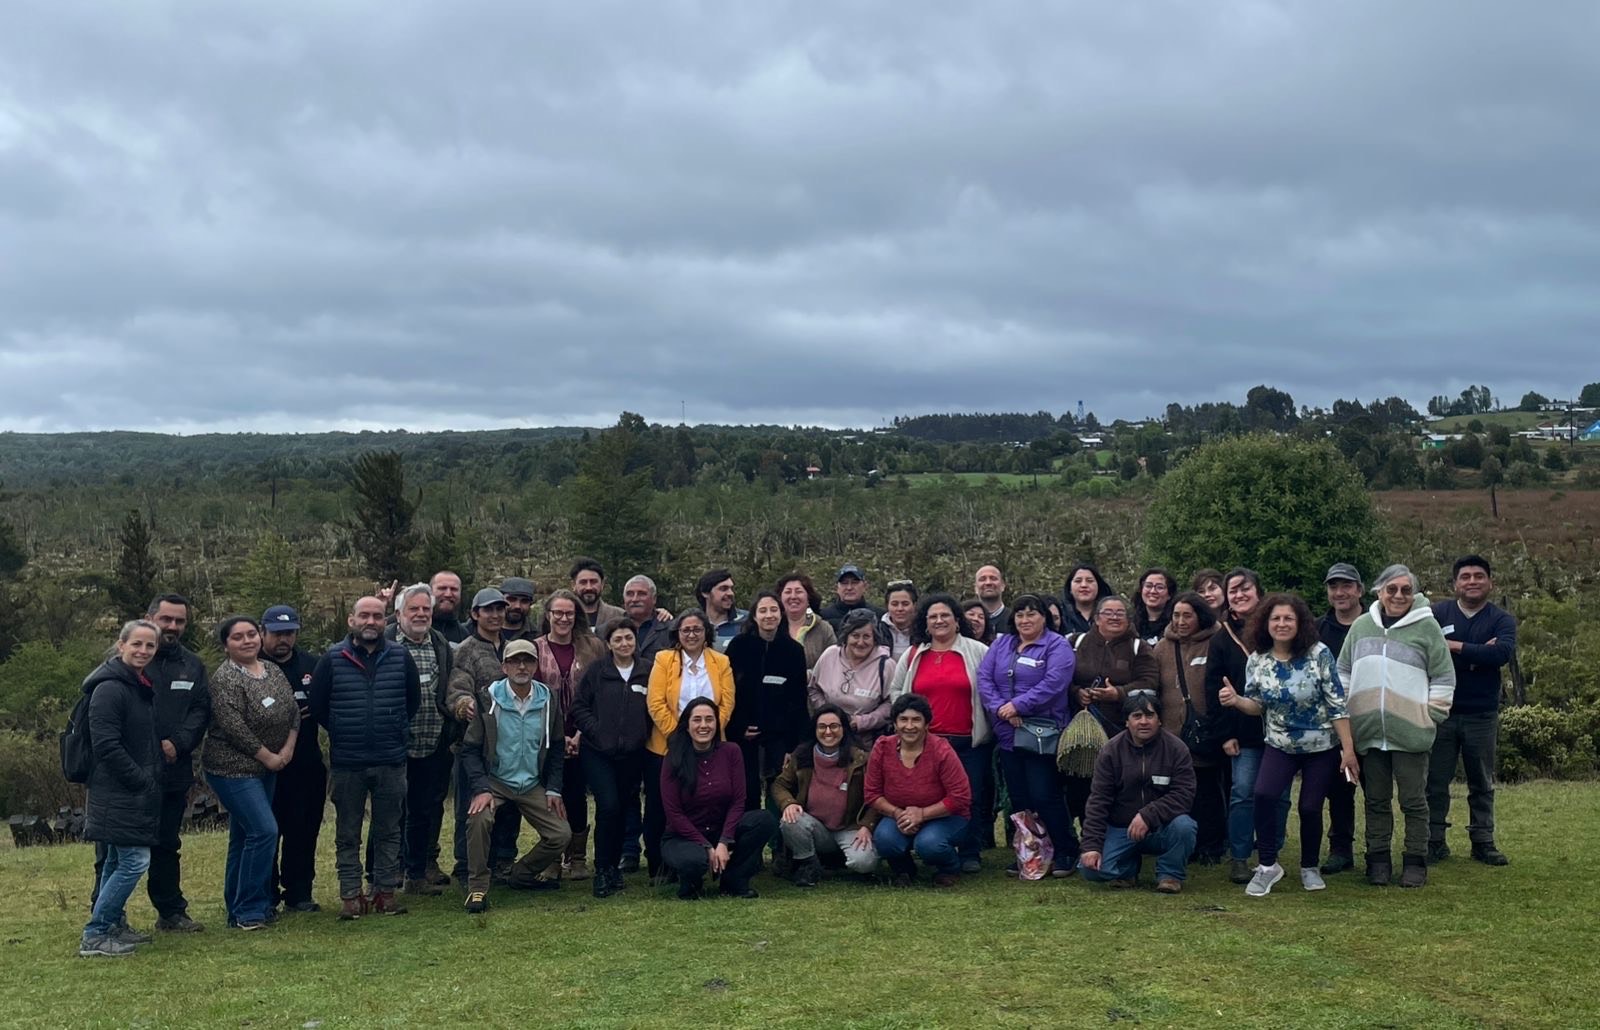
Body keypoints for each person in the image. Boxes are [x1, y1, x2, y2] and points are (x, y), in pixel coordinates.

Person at [1220, 594, 1357, 896]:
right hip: (1279, 743)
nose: (1282, 624)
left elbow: (1337, 705)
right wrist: (1237, 701)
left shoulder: (1319, 653)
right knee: (1264, 794)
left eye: (1288, 619)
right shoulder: (1258, 659)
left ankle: (1309, 866)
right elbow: (1257, 705)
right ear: (1265, 624)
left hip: (1321, 745)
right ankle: (1268, 865)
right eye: (1276, 619)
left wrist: (1348, 750)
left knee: (1310, 807)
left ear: (1300, 623)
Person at [90, 594, 210, 935]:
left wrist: (179, 742)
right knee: (112, 851)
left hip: (172, 771)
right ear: (149, 617)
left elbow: (201, 709)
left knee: (166, 844)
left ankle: (170, 912)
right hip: (125, 775)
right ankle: (109, 916)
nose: (172, 627)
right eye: (166, 619)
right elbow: (105, 728)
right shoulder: (122, 668)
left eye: (179, 621)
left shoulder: (192, 665)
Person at [1340, 564, 1456, 888]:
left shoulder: (1427, 628)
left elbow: (1444, 675)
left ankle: (1415, 861)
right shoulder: (1362, 626)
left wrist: (1431, 715)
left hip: (1411, 732)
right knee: (1375, 800)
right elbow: (1343, 670)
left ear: (1414, 592)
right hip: (1368, 733)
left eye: (1406, 589)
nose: (1399, 596)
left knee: (1413, 801)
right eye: (1392, 589)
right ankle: (1377, 861)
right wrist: (1346, 715)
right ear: (1379, 592)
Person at [309, 596, 422, 919]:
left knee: (389, 831)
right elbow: (318, 707)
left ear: (385, 620)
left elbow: (411, 701)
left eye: (377, 616)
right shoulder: (333, 658)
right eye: (364, 616)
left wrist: (395, 729)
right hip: (348, 762)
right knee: (348, 833)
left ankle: (385, 892)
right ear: (351, 620)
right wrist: (344, 730)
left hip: (391, 759)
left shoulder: (400, 656)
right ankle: (350, 895)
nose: (371, 622)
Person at [457, 639, 572, 912]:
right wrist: (482, 788)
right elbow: (470, 750)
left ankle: (522, 874)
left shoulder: (548, 699)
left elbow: (556, 747)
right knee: (478, 819)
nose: (522, 666)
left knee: (561, 833)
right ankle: (477, 888)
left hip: (531, 783)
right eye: (515, 661)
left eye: (528, 661)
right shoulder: (487, 699)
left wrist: (554, 788)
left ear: (536, 665)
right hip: (496, 781)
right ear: (504, 666)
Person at [203, 615, 300, 930]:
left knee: (243, 836)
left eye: (251, 634)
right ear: (226, 644)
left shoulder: (271, 669)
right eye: (237, 637)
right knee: (265, 831)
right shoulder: (225, 679)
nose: (246, 641)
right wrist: (268, 757)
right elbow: (234, 729)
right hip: (233, 768)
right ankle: (251, 910)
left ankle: (236, 908)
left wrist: (286, 750)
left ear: (260, 636)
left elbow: (293, 712)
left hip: (270, 764)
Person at [78, 620, 164, 958]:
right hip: (118, 791)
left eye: (150, 646)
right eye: (137, 644)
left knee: (116, 860)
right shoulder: (110, 689)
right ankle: (96, 933)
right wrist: (140, 779)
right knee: (134, 860)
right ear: (121, 645)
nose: (143, 651)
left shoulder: (137, 685)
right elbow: (106, 746)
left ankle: (112, 924)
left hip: (128, 791)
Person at [889, 593, 992, 873]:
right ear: (925, 622)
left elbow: (991, 691)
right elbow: (896, 691)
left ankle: (971, 852)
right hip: (924, 744)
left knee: (970, 796)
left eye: (945, 615)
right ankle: (930, 846)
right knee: (927, 796)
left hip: (968, 741)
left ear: (957, 620)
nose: (939, 621)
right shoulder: (914, 654)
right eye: (933, 616)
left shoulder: (977, 651)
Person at [976, 593, 1077, 875]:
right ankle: (1030, 852)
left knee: (1045, 795)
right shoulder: (1003, 643)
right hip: (1008, 733)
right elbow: (984, 678)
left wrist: (1018, 705)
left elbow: (1054, 684)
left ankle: (1066, 850)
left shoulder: (1057, 646)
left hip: (1042, 734)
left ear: (1044, 617)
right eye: (1020, 614)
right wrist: (1000, 709)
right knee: (1020, 798)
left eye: (1032, 614)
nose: (1025, 620)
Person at [1428, 555, 1516, 867]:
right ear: (1455, 584)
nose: (1472, 581)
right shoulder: (1436, 613)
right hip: (1441, 713)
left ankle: (1483, 841)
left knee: (1481, 781)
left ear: (1490, 582)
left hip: (1482, 714)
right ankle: (1434, 840)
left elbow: (1501, 654)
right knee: (1435, 782)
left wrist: (1452, 646)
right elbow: (1425, 650)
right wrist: (1479, 653)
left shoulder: (1501, 619)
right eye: (1465, 576)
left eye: (1479, 576)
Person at [1205, 568, 1289, 885]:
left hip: (1282, 730)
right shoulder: (1222, 637)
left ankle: (1271, 854)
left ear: (1259, 591)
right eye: (1233, 590)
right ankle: (1239, 858)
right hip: (1243, 731)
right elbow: (1214, 688)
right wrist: (1225, 733)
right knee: (1242, 793)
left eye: (1246, 588)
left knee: (1279, 795)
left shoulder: (1280, 627)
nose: (1239, 595)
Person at [644, 611, 734, 880]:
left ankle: (710, 860)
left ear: (707, 632)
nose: (692, 635)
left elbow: (726, 704)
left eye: (697, 629)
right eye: (686, 630)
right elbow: (655, 702)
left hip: (711, 747)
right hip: (668, 747)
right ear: (677, 634)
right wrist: (683, 736)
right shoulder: (663, 659)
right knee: (661, 807)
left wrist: (707, 734)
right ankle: (660, 865)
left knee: (706, 803)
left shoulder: (721, 662)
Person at [1076, 694, 1197, 893]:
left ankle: (1170, 875)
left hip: (1161, 828)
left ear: (1159, 720)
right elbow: (1098, 801)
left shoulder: (1177, 749)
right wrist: (1091, 846)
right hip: (1120, 828)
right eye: (1137, 716)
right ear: (1126, 721)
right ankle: (1127, 869)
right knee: (1090, 871)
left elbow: (1184, 794)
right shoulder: (1110, 751)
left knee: (1185, 826)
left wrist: (1148, 815)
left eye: (1150, 715)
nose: (1143, 721)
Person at [659, 697, 776, 899]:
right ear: (687, 725)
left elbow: (738, 802)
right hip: (684, 836)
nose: (703, 725)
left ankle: (734, 880)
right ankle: (692, 882)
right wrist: (705, 846)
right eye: (697, 720)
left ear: (717, 723)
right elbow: (674, 813)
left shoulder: (732, 751)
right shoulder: (673, 758)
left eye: (709, 719)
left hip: (722, 830)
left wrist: (724, 841)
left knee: (764, 820)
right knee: (693, 861)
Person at [382, 584, 456, 896]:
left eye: (426, 609)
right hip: (393, 745)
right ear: (399, 613)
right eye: (414, 609)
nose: (421, 614)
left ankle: (416, 873)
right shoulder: (384, 642)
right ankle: (383, 875)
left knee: (424, 809)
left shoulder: (439, 644)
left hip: (433, 742)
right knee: (389, 812)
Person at [571, 619, 652, 898]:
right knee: (608, 807)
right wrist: (597, 730)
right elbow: (578, 707)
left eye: (628, 638)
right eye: (618, 639)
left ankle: (616, 866)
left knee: (624, 809)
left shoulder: (647, 671)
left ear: (635, 640)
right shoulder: (597, 672)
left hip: (632, 754)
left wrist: (644, 735)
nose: (624, 644)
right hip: (598, 753)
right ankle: (602, 869)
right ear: (608, 643)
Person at [1065, 595, 1158, 837]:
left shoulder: (1139, 647)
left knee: (1117, 783)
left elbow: (1150, 683)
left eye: (1120, 613)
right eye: (1108, 612)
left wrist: (1118, 693)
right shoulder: (1077, 643)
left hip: (1120, 729)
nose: (1114, 617)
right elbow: (1063, 679)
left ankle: (1121, 836)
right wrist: (1077, 693)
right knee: (1082, 783)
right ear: (1096, 618)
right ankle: (1089, 836)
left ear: (1129, 620)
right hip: (1081, 731)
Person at [445, 587, 520, 885]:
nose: (495, 615)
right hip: (475, 745)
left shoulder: (514, 647)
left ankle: (503, 861)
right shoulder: (466, 649)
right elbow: (457, 689)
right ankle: (466, 867)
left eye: (499, 609)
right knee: (472, 807)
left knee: (510, 806)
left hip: (512, 744)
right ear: (475, 614)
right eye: (488, 610)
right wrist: (465, 705)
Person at [533, 589, 606, 880]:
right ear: (548, 615)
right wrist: (557, 737)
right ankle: (553, 856)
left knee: (576, 795)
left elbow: (599, 694)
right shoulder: (534, 647)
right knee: (552, 796)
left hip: (585, 734)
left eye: (569, 613)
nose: (563, 618)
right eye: (557, 613)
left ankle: (577, 857)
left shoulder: (593, 647)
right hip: (545, 737)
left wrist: (578, 735)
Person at [864, 693, 972, 887]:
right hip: (897, 815)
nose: (909, 726)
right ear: (895, 724)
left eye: (916, 720)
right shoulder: (882, 748)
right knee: (885, 839)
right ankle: (904, 870)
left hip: (945, 817)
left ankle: (949, 868)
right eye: (903, 720)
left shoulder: (941, 750)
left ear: (926, 724)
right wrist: (898, 814)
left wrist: (921, 814)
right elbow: (872, 793)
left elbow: (960, 797)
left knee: (929, 844)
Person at [260, 605, 327, 912]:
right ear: (264, 633)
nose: (282, 640)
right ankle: (266, 893)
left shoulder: (313, 664)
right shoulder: (254, 666)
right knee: (267, 831)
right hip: (264, 766)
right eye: (276, 634)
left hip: (307, 763)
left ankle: (299, 892)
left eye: (288, 633)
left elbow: (329, 707)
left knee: (303, 830)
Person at [772, 705, 882, 885]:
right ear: (814, 730)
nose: (828, 732)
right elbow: (779, 784)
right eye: (822, 727)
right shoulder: (801, 756)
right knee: (790, 820)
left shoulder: (861, 759)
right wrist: (788, 803)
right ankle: (807, 864)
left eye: (834, 726)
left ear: (844, 729)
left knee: (864, 863)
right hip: (815, 827)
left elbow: (877, 794)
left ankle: (835, 860)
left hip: (850, 828)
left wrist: (867, 826)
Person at [1153, 592, 1226, 864]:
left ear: (1200, 616)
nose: (1181, 621)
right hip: (1172, 734)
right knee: (1178, 792)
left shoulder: (1216, 641)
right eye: (1176, 615)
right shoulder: (1162, 647)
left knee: (1208, 792)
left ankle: (1212, 846)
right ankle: (1186, 844)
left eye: (1188, 615)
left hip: (1205, 732)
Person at [726, 591, 809, 815]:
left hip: (780, 736)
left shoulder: (793, 651)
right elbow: (728, 691)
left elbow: (799, 700)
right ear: (754, 616)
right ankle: (749, 843)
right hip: (744, 735)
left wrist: (794, 744)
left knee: (780, 788)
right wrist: (738, 726)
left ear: (781, 614)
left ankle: (779, 845)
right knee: (746, 790)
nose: (768, 615)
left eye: (773, 610)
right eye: (763, 611)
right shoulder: (738, 646)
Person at [1316, 563, 1364, 876]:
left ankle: (1379, 849)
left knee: (1376, 788)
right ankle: (1340, 849)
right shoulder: (1317, 628)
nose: (1340, 592)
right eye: (1334, 586)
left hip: (1372, 717)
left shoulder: (1376, 624)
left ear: (1360, 590)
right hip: (1331, 722)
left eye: (1346, 586)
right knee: (1339, 786)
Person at [809, 609, 896, 739]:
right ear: (846, 636)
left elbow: (892, 703)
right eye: (855, 636)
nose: (860, 642)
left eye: (866, 636)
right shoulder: (830, 655)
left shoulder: (886, 665)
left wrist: (862, 721)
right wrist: (831, 716)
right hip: (827, 736)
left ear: (875, 638)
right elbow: (813, 688)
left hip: (866, 739)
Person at [777, 571, 837, 670]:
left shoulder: (824, 629)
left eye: (798, 591)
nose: (793, 596)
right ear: (780, 598)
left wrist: (806, 676)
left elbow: (833, 665)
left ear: (809, 597)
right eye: (788, 592)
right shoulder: (772, 627)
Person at [622, 575, 673, 670]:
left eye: (641, 594)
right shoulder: (610, 630)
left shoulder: (672, 629)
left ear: (654, 599)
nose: (635, 599)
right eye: (630, 594)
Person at [820, 564, 885, 633]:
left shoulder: (879, 616)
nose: (849, 588)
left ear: (865, 586)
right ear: (836, 588)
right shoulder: (823, 616)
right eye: (844, 583)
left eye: (854, 583)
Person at [696, 568, 747, 652]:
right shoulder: (691, 623)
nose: (731, 593)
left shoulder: (748, 621)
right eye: (723, 589)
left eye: (731, 588)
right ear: (705, 593)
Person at [572, 557, 626, 630]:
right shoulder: (565, 616)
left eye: (593, 582)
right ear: (573, 585)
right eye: (583, 582)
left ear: (602, 584)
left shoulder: (619, 615)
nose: (589, 587)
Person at [1061, 565, 1114, 635]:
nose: (1084, 585)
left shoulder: (1113, 614)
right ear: (1069, 588)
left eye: (1090, 581)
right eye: (1078, 581)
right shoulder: (1060, 615)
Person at [1133, 568, 1178, 646]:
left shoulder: (1176, 624)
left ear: (1169, 594)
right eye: (1148, 586)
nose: (1153, 591)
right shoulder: (1131, 624)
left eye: (1160, 587)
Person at [428, 570, 469, 645]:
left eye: (454, 589)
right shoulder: (417, 628)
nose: (448, 594)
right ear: (430, 592)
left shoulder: (464, 636)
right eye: (442, 588)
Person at [881, 581, 918, 659]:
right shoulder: (878, 630)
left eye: (905, 604)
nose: (900, 609)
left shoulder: (923, 631)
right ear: (887, 606)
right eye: (894, 604)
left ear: (914, 605)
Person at [974, 564, 1011, 636]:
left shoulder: (1014, 619)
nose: (988, 583)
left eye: (993, 578)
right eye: (982, 579)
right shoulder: (966, 621)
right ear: (975, 588)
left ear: (1003, 586)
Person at [500, 576, 539, 643]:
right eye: (512, 599)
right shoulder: (484, 632)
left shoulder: (537, 637)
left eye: (524, 601)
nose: (517, 606)